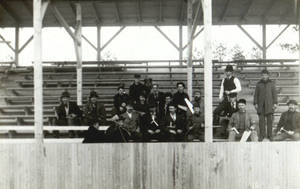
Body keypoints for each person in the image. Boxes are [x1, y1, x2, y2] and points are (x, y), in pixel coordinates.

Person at [254, 69, 278, 141]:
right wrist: (255, 103)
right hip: (261, 106)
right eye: (263, 75)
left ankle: (270, 135)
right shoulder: (258, 84)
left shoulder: (272, 83)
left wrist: (275, 103)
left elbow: (274, 94)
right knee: (261, 121)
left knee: (270, 121)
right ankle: (262, 135)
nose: (264, 76)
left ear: (268, 75)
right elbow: (256, 95)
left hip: (269, 105)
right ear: (261, 76)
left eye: (265, 75)